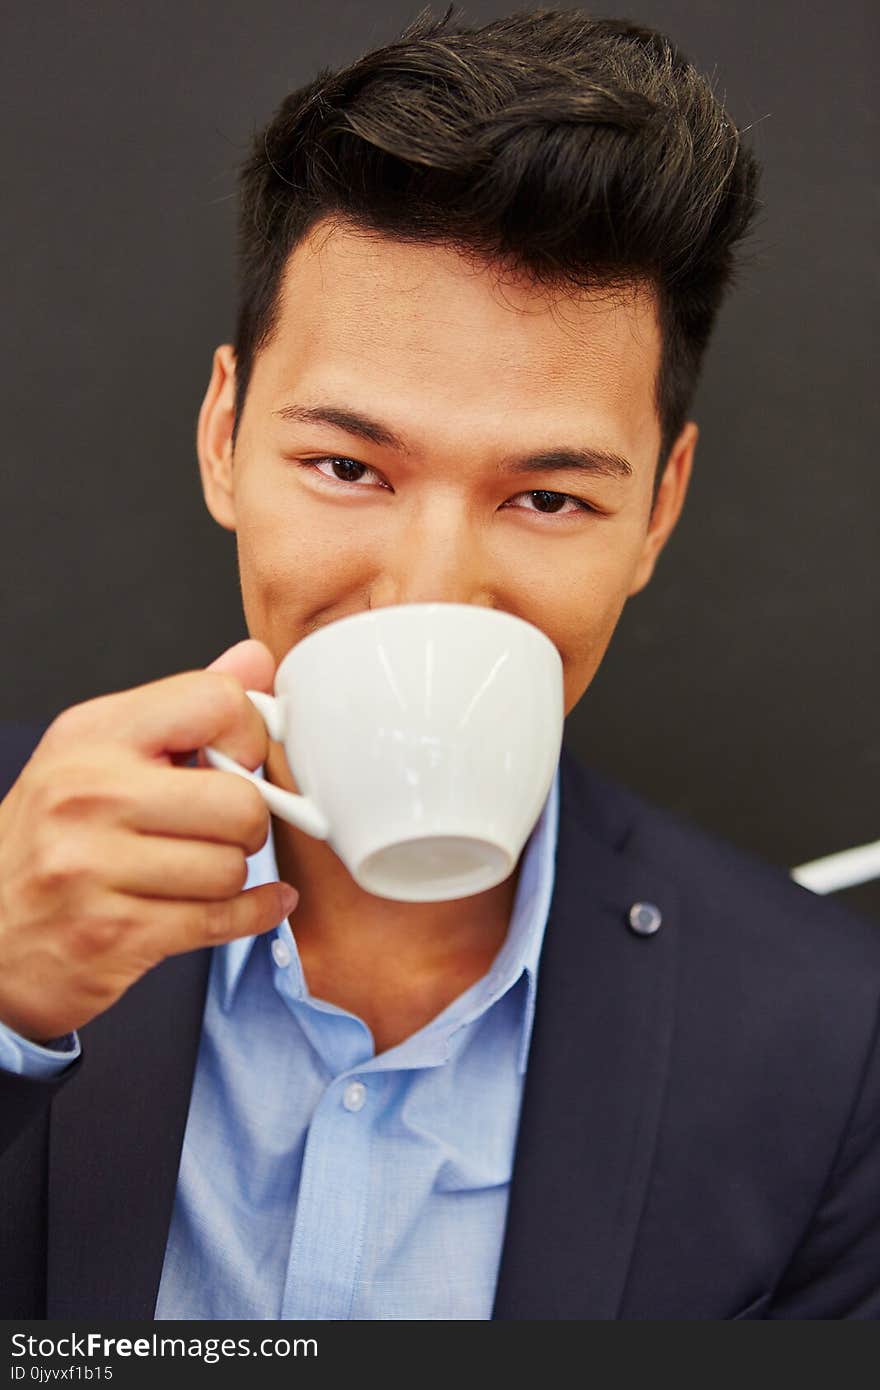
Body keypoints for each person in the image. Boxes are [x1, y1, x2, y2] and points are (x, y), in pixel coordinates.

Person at [1, 7, 878, 1321]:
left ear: (661, 508)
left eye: (547, 498)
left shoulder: (826, 1041)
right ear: (224, 435)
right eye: (348, 467)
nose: (427, 586)